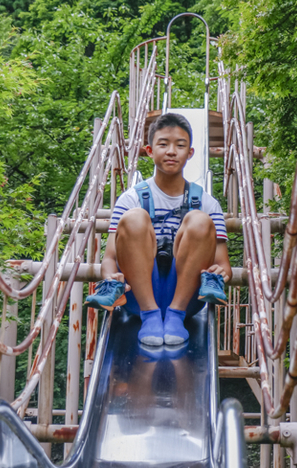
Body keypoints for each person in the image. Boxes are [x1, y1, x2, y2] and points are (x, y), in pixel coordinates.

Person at [86, 113, 230, 346]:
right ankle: (150, 315)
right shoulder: (131, 199)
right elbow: (110, 258)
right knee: (134, 218)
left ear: (190, 153)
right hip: (136, 296)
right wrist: (111, 276)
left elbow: (224, 265)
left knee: (200, 220)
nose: (171, 151)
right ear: (150, 150)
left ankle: (176, 315)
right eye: (163, 144)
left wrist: (220, 272)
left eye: (180, 145)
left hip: (188, 298)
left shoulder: (206, 202)